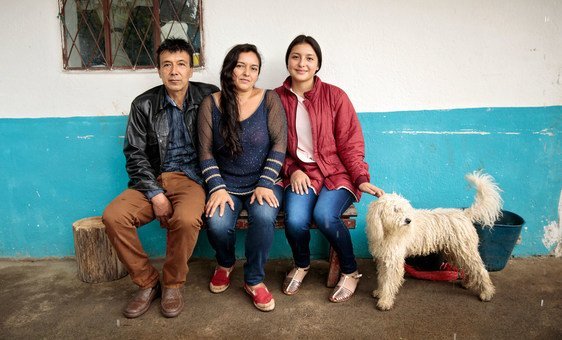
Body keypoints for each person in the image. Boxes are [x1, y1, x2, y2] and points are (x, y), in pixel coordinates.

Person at [102, 38, 219, 318]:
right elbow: (135, 154)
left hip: (192, 178)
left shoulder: (209, 96)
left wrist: (217, 184)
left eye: (181, 64)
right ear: (159, 70)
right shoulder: (143, 104)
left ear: (192, 69)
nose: (174, 71)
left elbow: (224, 143)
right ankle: (147, 282)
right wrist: (155, 193)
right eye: (167, 65)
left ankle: (172, 283)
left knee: (188, 219)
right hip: (151, 179)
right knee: (114, 216)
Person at [275, 35, 385, 302]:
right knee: (295, 220)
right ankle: (301, 264)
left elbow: (350, 143)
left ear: (318, 65)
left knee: (326, 216)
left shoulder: (335, 96)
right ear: (288, 61)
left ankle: (351, 271)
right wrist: (291, 169)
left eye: (309, 58)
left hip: (337, 172)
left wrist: (359, 177)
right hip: (301, 173)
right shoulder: (275, 99)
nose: (302, 63)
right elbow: (272, 145)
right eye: (296, 57)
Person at [198, 44, 287, 312]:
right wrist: (217, 188)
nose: (247, 73)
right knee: (216, 222)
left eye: (254, 68)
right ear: (230, 69)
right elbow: (204, 152)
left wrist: (264, 183)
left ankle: (254, 279)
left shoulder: (269, 99)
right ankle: (225, 262)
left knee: (264, 215)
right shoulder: (211, 104)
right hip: (225, 185)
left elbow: (279, 144)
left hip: (264, 182)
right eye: (240, 66)